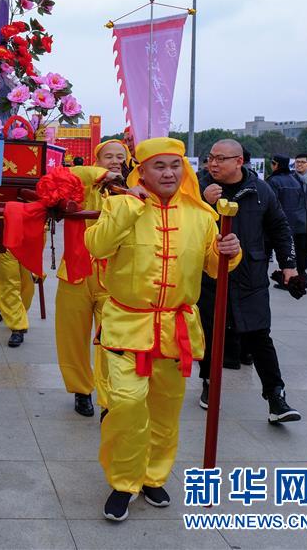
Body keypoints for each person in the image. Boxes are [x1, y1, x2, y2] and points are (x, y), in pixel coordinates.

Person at [84, 137, 241, 522]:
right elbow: (97, 246)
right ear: (143, 169)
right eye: (159, 166)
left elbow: (212, 266)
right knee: (125, 403)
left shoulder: (202, 214)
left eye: (175, 165)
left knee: (166, 410)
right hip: (126, 324)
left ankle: (154, 476)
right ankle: (123, 481)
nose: (168, 172)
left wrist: (229, 252)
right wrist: (129, 207)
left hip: (176, 328)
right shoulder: (120, 203)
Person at [197, 140, 300, 424]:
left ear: (239, 161)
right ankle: (209, 383)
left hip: (250, 276)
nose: (213, 164)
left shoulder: (260, 190)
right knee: (209, 332)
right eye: (210, 158)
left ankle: (276, 397)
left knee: (259, 335)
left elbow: (280, 227)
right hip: (210, 276)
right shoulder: (197, 187)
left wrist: (289, 266)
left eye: (221, 159)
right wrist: (203, 201)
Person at [54, 141, 126, 418]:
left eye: (121, 157)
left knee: (111, 341)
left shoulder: (132, 193)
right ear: (96, 161)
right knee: (72, 337)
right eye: (108, 156)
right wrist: (99, 175)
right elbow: (66, 176)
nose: (115, 161)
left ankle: (108, 399)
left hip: (114, 278)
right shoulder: (80, 186)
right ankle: (81, 390)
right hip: (75, 272)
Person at [267, 154, 307, 283]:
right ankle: (300, 271)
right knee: (298, 247)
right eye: (297, 162)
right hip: (294, 219)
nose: (299, 164)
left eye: (302, 162)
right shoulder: (290, 178)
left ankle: (300, 269)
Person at [0, 219, 35, 347]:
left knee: (27, 278)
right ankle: (16, 324)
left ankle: (19, 311)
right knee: (2, 275)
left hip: (28, 228)